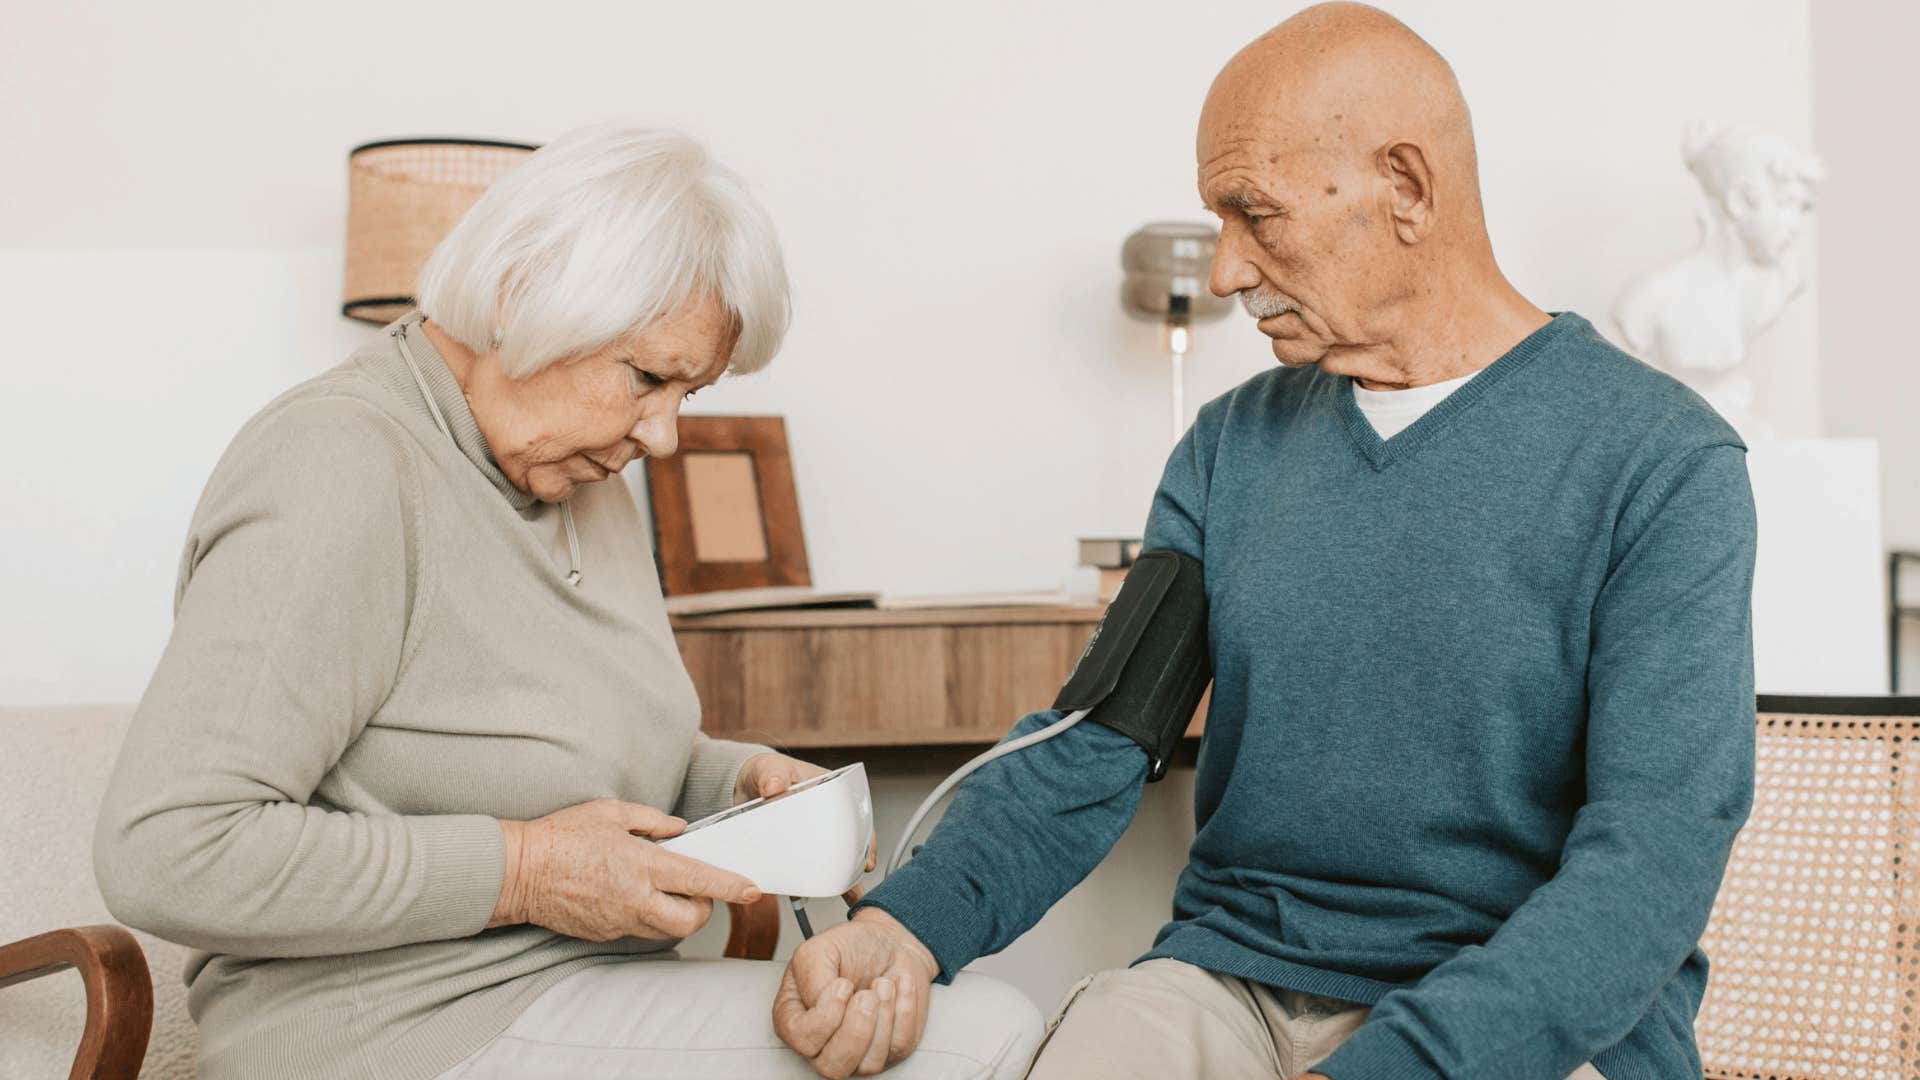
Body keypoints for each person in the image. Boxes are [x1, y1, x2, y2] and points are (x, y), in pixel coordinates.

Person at [772, 6, 1757, 1079]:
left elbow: (1649, 865)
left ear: (1408, 189)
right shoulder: (1229, 447)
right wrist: (905, 927)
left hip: (1517, 1023)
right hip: (1230, 986)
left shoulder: (1662, 461)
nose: (1230, 268)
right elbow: (1095, 745)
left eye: (1256, 214)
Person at [93, 122, 1042, 1080]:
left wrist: (738, 784)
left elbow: (554, 756)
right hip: (391, 1029)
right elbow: (169, 849)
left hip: (571, 992)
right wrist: (528, 873)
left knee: (951, 1019)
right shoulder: (340, 466)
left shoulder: (575, 473)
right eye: (647, 377)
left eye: (692, 393)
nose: (664, 437)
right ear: (519, 299)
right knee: (985, 1036)